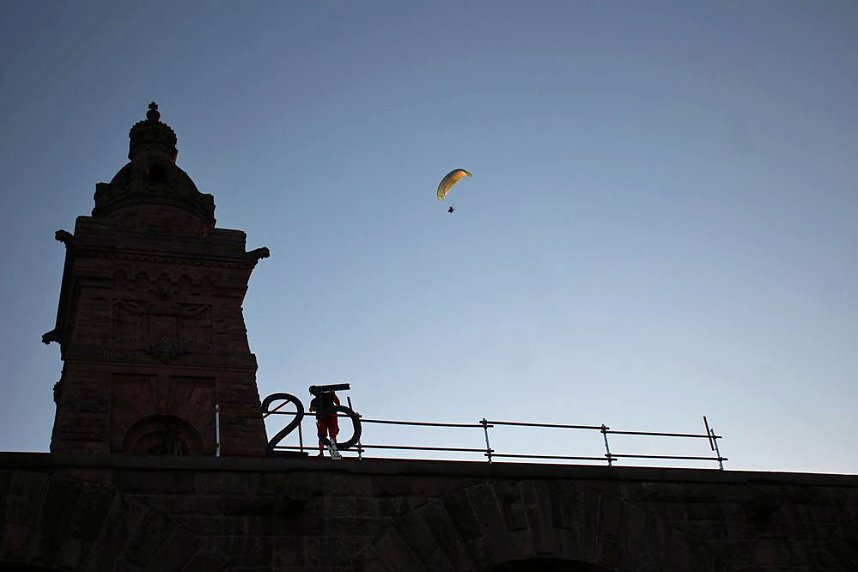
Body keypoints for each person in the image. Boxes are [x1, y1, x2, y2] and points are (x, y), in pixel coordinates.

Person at [309, 385, 340, 457]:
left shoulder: (328, 395)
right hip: (323, 418)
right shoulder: (315, 400)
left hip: (330, 417)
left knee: (329, 436)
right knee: (324, 436)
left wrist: (333, 394)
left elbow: (338, 403)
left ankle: (332, 452)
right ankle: (327, 453)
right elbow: (311, 409)